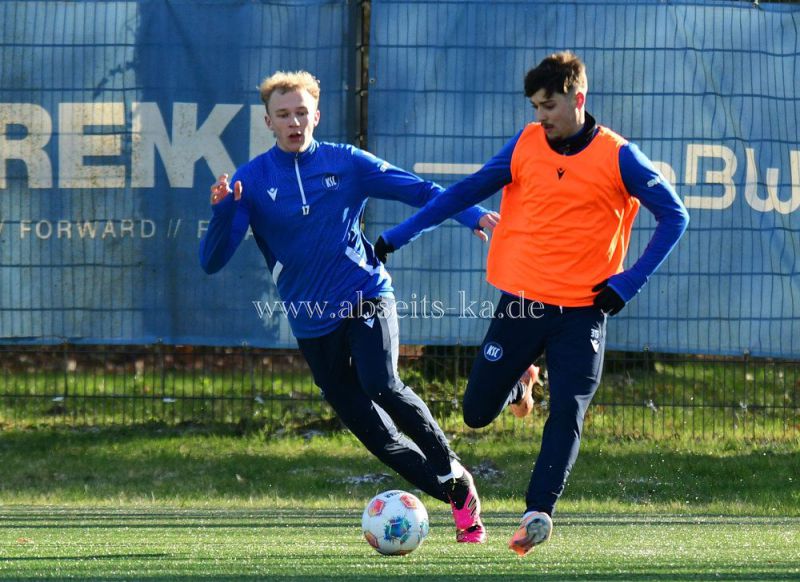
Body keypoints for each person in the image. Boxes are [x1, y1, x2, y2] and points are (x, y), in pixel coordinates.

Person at [374, 51, 689, 555]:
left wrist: (629, 281)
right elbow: (462, 193)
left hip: (584, 311)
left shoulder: (619, 156)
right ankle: (522, 382)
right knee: (476, 412)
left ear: (578, 98)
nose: (541, 116)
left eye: (549, 106)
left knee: (567, 410)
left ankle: (538, 511)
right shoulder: (525, 143)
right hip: (522, 304)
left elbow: (675, 216)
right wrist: (398, 236)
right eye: (536, 107)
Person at [199, 70, 499, 543]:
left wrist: (474, 215)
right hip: (311, 323)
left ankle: (450, 472)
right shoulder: (249, 182)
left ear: (316, 116)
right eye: (283, 115)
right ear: (268, 122)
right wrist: (222, 214)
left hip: (366, 295)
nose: (294, 122)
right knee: (375, 434)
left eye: (302, 112)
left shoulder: (347, 162)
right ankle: (457, 492)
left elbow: (420, 191)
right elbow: (212, 261)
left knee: (381, 382)